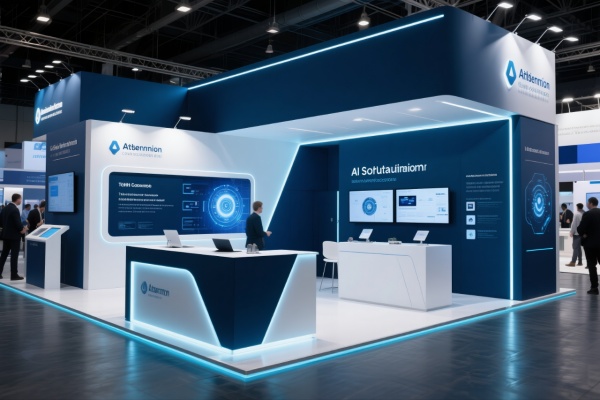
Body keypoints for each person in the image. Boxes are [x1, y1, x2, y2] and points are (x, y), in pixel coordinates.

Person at [0, 193, 28, 280]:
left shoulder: (5, 209)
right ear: (18, 199)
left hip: (6, 236)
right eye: (20, 199)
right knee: (14, 256)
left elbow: (1, 222)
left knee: (4, 255)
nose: (21, 200)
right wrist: (22, 229)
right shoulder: (15, 209)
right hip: (14, 237)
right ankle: (14, 275)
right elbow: (17, 223)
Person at [578, 197, 600, 295]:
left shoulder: (588, 214)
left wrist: (584, 234)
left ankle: (594, 288)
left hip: (590, 244)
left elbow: (580, 229)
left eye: (587, 202)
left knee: (591, 266)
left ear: (590, 203)